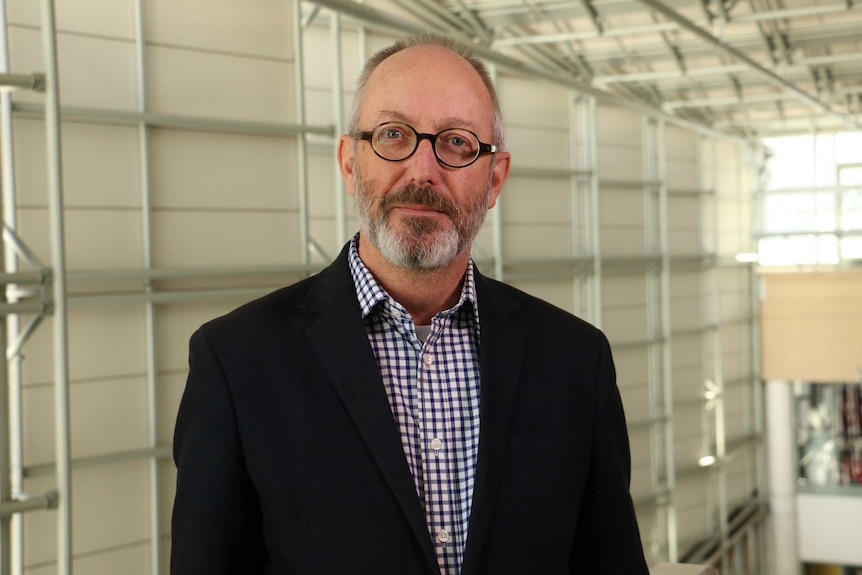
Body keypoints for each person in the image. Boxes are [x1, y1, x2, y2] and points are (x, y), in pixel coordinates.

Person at [171, 33, 649, 575]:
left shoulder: (575, 361)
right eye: (393, 135)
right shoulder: (236, 361)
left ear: (495, 178)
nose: (423, 171)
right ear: (350, 162)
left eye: (458, 142)